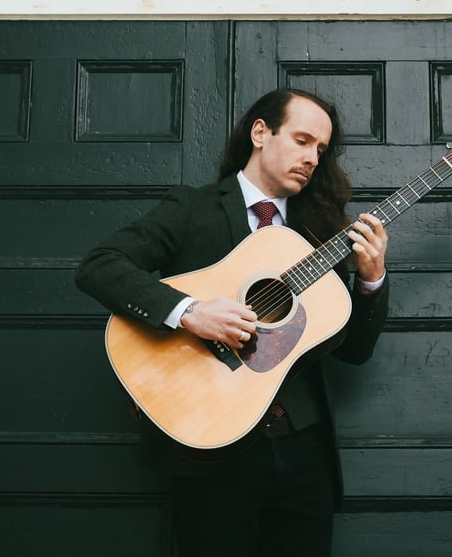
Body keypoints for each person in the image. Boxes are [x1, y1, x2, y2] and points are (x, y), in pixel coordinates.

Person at [75, 88, 389, 557]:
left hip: (304, 454)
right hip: (209, 448)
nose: (312, 158)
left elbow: (354, 350)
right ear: (261, 132)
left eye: (320, 150)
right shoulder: (192, 208)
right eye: (302, 140)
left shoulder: (319, 234)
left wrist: (372, 279)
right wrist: (190, 312)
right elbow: (99, 266)